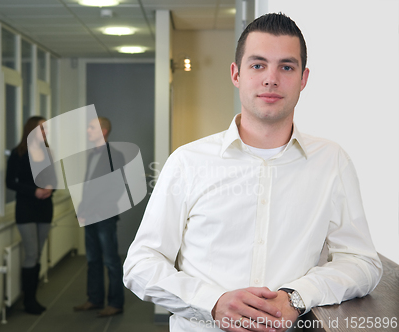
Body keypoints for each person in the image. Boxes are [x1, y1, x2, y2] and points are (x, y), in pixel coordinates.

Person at [123, 13, 382, 332]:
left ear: (303, 78)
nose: (271, 79)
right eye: (258, 65)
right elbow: (141, 264)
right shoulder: (187, 162)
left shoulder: (331, 161)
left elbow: (361, 262)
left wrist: (297, 297)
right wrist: (213, 302)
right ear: (236, 74)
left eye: (286, 67)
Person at [74, 117, 125, 317]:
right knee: (92, 259)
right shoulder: (91, 155)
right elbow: (89, 185)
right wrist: (83, 207)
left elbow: (117, 187)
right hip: (89, 215)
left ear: (103, 131)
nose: (88, 130)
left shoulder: (115, 155)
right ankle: (94, 299)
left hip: (104, 215)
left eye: (92, 127)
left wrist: (97, 209)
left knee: (111, 260)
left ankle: (115, 303)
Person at [6, 116, 54, 315]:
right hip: (26, 207)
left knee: (38, 254)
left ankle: (33, 297)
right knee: (31, 253)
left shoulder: (48, 153)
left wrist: (50, 188)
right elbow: (10, 182)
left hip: (44, 208)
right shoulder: (18, 154)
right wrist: (33, 191)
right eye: (41, 128)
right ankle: (29, 300)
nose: (45, 132)